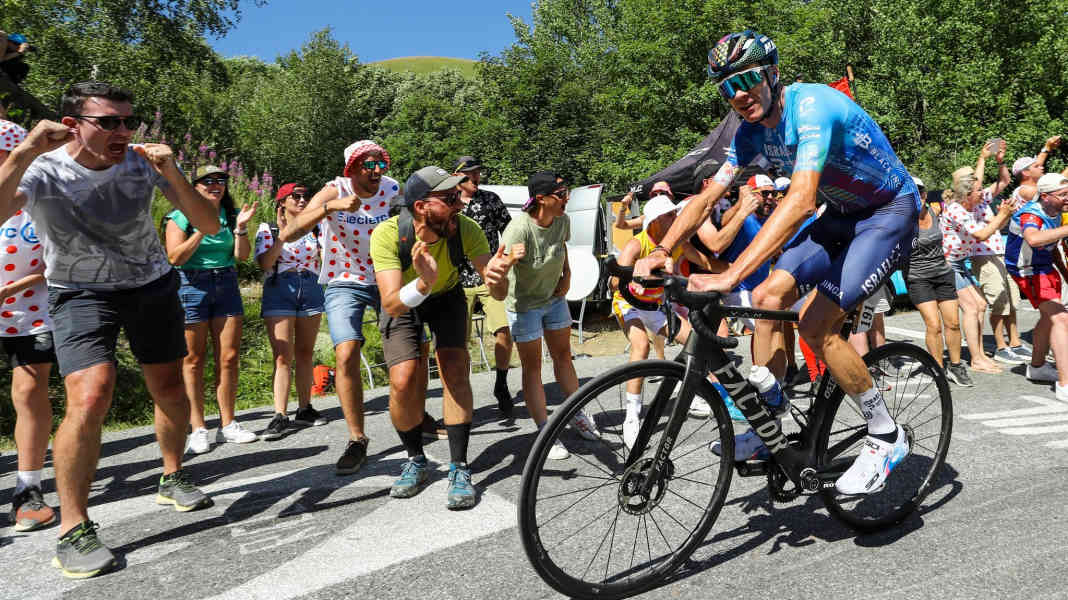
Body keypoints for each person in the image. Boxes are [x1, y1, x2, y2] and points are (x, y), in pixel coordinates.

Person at [636, 30, 919, 494]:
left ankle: (886, 434)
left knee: (815, 325)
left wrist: (731, 274)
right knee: (768, 297)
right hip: (841, 213)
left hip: (887, 213)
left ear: (772, 74)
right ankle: (772, 419)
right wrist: (663, 250)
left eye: (746, 80)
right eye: (728, 87)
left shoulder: (812, 107)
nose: (739, 94)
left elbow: (802, 200)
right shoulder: (749, 133)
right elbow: (706, 197)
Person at [1, 82, 217, 578]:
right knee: (90, 394)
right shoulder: (42, 168)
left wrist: (173, 172)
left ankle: (172, 474)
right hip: (79, 292)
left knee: (169, 386)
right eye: (108, 122)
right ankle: (73, 527)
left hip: (150, 285)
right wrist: (26, 149)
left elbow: (208, 224)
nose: (123, 131)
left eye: (128, 121)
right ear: (72, 125)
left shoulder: (143, 163)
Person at [369, 165, 509, 509]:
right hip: (405, 300)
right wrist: (423, 282)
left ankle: (459, 467)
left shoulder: (466, 228)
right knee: (403, 379)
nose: (460, 203)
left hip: (447, 296)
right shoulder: (388, 234)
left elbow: (498, 291)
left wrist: (499, 278)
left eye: (458, 195)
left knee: (455, 368)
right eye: (449, 198)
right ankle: (415, 459)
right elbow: (391, 303)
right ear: (421, 206)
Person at [281, 140, 397, 475]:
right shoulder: (335, 190)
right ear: (353, 168)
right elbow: (290, 233)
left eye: (380, 164)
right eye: (369, 165)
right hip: (344, 279)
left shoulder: (392, 189)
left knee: (410, 352)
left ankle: (417, 417)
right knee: (345, 354)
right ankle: (357, 438)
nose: (376, 171)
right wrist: (329, 208)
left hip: (386, 276)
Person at [493, 171, 600, 460]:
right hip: (525, 305)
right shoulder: (519, 229)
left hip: (553, 299)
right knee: (533, 367)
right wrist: (509, 260)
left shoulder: (563, 220)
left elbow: (562, 247)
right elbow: (499, 270)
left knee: (563, 356)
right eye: (562, 194)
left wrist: (567, 276)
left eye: (567, 192)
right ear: (541, 199)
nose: (567, 198)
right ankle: (545, 431)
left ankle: (576, 413)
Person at [611, 192, 722, 448]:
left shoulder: (677, 243)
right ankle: (631, 417)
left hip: (653, 306)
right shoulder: (637, 244)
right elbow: (616, 282)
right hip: (628, 303)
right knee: (641, 346)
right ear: (655, 221)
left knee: (695, 341)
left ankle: (689, 391)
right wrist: (646, 276)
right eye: (670, 215)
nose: (676, 218)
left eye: (675, 213)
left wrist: (736, 271)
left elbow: (705, 262)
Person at [163, 166, 258, 453]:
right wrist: (201, 231)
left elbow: (242, 256)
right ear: (194, 187)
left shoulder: (231, 214)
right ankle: (198, 428)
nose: (215, 184)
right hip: (191, 284)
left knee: (228, 357)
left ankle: (228, 424)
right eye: (208, 181)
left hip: (226, 282)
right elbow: (175, 258)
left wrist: (241, 228)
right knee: (193, 360)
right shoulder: (180, 216)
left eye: (221, 180)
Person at [0, 120, 56, 532]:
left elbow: (56, 261)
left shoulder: (41, 199)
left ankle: (28, 488)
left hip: (30, 312)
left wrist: (10, 289)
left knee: (29, 391)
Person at [256, 182, 328, 440]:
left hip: (310, 285)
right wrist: (283, 235)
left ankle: (305, 408)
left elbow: (326, 258)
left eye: (305, 196)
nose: (302, 200)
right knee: (282, 356)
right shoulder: (268, 229)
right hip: (280, 287)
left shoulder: (316, 227)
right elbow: (265, 263)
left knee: (306, 352)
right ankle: (279, 415)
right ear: (282, 202)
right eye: (295, 196)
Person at [940, 151, 1020, 374]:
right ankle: (976, 359)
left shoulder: (969, 205)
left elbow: (981, 181)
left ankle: (981, 355)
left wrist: (1003, 213)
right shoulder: (956, 210)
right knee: (972, 307)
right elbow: (982, 235)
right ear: (967, 194)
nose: (982, 193)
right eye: (978, 191)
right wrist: (1002, 215)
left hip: (959, 262)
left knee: (981, 305)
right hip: (948, 264)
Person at [454, 155, 515, 416]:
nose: (476, 177)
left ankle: (501, 384)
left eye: (477, 172)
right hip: (458, 280)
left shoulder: (490, 199)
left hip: (489, 275)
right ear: (457, 177)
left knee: (504, 330)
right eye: (470, 173)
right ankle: (463, 389)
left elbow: (510, 231)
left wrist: (506, 261)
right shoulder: (449, 203)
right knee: (459, 341)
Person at [905, 176, 972, 386]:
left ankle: (956, 365)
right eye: (910, 195)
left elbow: (964, 192)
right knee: (934, 325)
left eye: (919, 193)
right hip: (918, 278)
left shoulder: (936, 210)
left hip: (943, 274)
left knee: (953, 323)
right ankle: (937, 368)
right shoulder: (901, 221)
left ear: (924, 195)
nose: (916, 198)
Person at [1005, 173, 1068, 397]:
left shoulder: (1057, 212)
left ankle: (1038, 367)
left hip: (1044, 266)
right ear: (1045, 196)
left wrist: (1065, 273)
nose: (1067, 198)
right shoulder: (1030, 214)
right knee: (1061, 319)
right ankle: (1065, 384)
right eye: (1063, 194)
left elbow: (1052, 245)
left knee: (1050, 318)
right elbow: (1033, 238)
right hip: (1027, 269)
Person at [966, 141, 1026, 364]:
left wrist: (1000, 162)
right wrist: (982, 158)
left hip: (999, 253)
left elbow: (1005, 180)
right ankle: (1001, 346)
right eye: (975, 187)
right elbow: (977, 182)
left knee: (1011, 299)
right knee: (999, 301)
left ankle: (1015, 342)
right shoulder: (967, 205)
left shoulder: (984, 199)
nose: (980, 189)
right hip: (984, 256)